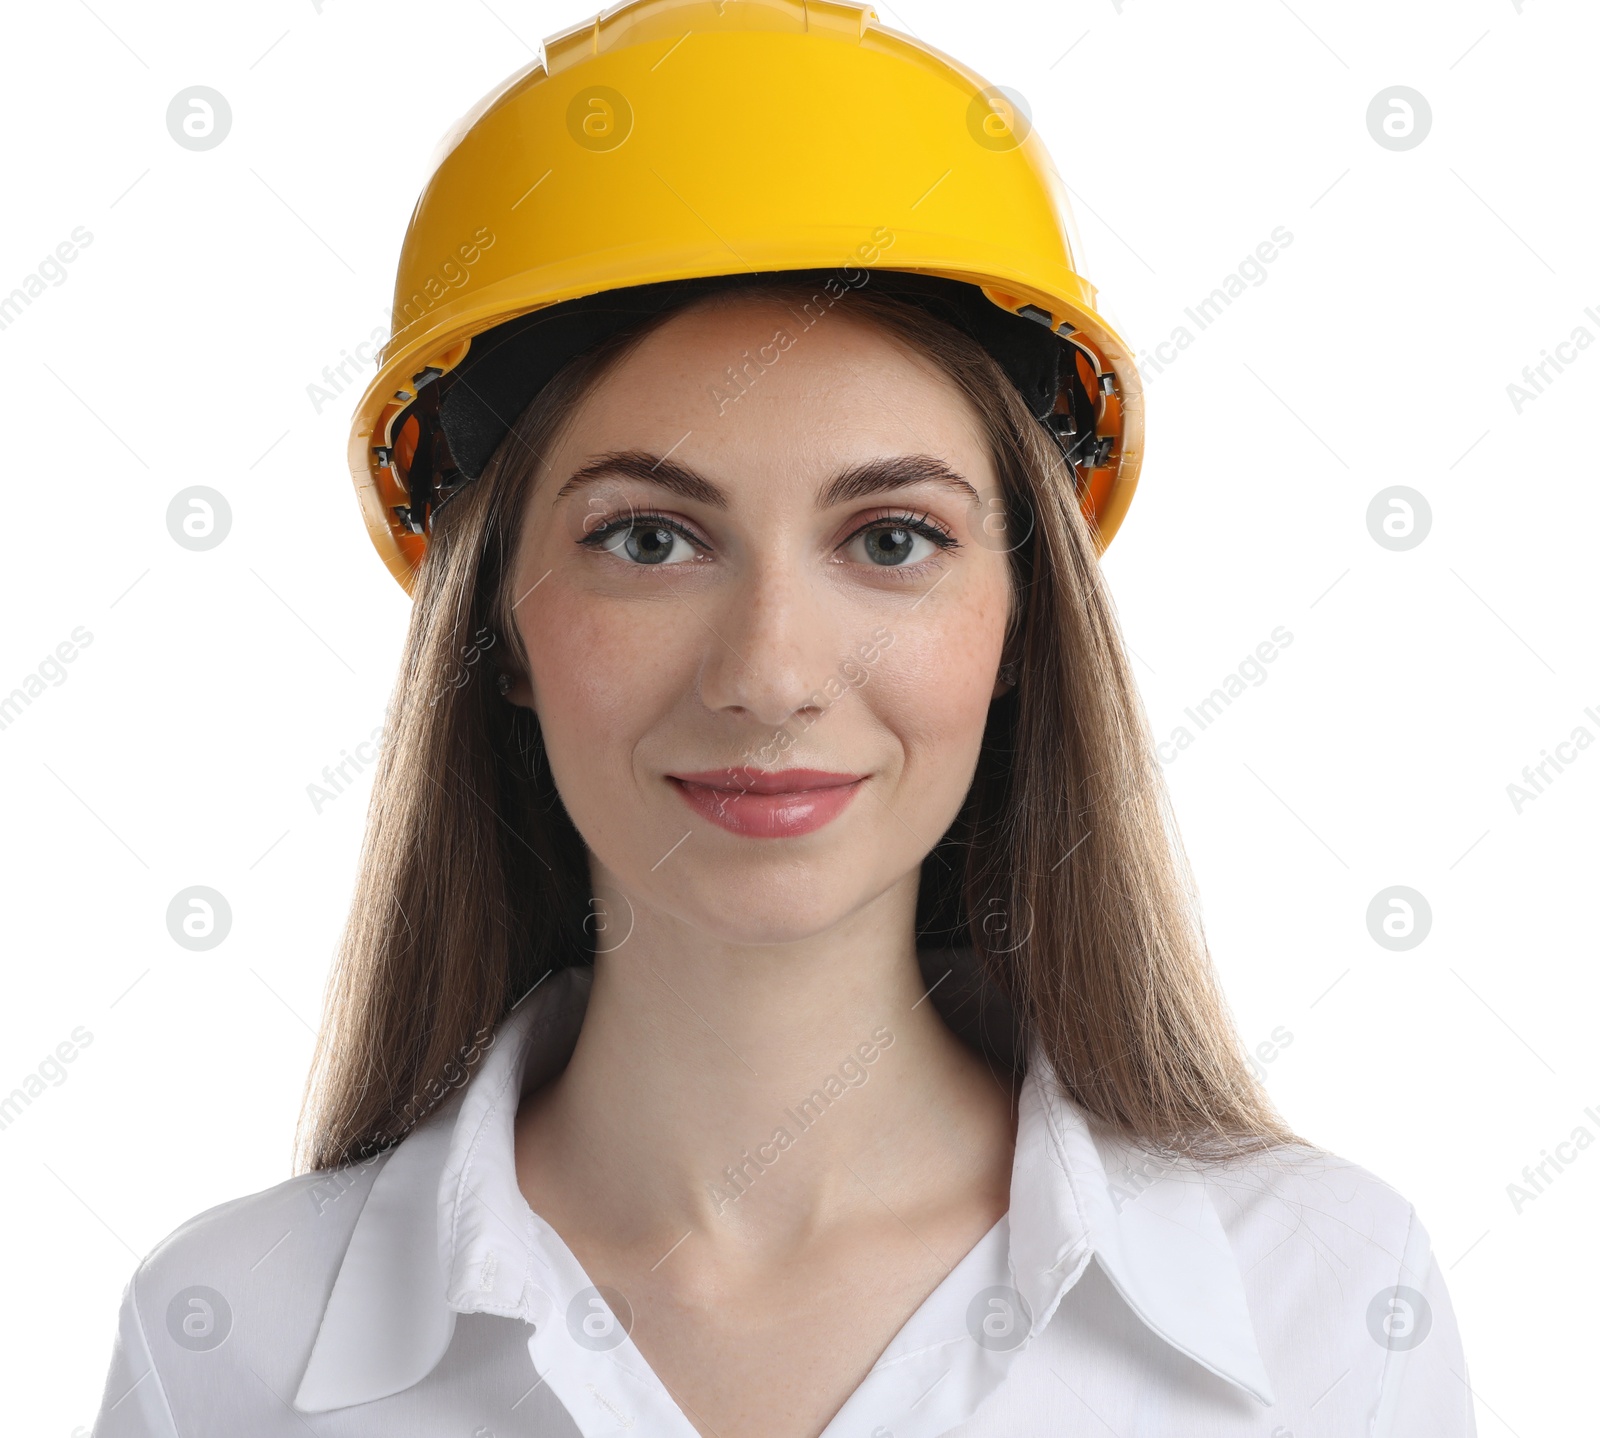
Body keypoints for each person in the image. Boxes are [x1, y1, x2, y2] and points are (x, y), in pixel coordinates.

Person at [90, 2, 1475, 1434]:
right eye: (647, 539)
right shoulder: (231, 1347)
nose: (768, 672)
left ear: (1020, 623)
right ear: (498, 621)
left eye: (889, 540)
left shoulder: (1323, 1309)